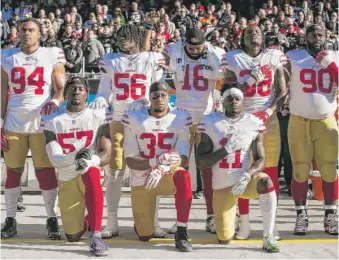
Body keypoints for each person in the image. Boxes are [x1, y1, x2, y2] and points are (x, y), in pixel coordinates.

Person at [143, 20, 225, 234]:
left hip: (206, 117)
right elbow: (155, 65)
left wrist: (210, 49)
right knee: (176, 166)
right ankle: (177, 219)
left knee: (208, 168)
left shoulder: (214, 53)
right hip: (180, 117)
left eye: (198, 47)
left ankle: (211, 216)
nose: (195, 51)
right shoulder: (174, 49)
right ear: (184, 43)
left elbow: (224, 75)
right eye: (191, 47)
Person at [89, 22, 167, 239]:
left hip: (144, 122)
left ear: (138, 37)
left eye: (127, 35)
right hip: (119, 120)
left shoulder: (150, 58)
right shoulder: (111, 60)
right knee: (115, 171)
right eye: (120, 35)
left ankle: (153, 220)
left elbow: (159, 89)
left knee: (147, 172)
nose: (122, 38)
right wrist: (100, 101)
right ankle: (112, 221)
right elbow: (104, 90)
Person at [1, 17, 66, 239]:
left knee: (45, 171)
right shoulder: (6, 56)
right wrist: (0, 122)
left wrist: (55, 102)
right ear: (17, 33)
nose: (26, 33)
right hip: (13, 123)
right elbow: (2, 94)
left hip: (42, 122)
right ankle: (10, 219)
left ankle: (51, 218)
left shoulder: (51, 53)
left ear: (39, 33)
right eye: (22, 30)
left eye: (31, 30)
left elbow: (60, 89)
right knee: (13, 172)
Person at [196, 82, 279, 253]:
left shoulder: (254, 122)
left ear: (243, 101)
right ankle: (232, 218)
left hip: (243, 180)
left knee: (265, 181)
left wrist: (249, 174)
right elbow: (200, 162)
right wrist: (224, 151)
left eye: (237, 98)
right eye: (229, 98)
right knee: (224, 238)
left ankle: (268, 236)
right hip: (222, 186)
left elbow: (261, 158)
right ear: (223, 102)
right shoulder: (210, 122)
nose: (233, 101)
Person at [222, 23, 287, 240]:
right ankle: (245, 222)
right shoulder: (233, 58)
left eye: (257, 31)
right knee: (242, 171)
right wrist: (249, 81)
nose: (254, 34)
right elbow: (229, 92)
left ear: (263, 36)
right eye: (249, 32)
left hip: (268, 119)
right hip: (242, 120)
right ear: (243, 38)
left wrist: (268, 111)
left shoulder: (274, 55)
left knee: (270, 169)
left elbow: (283, 91)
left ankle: (271, 224)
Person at [41, 76, 111, 256]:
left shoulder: (98, 115)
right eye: (72, 88)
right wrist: (76, 156)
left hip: (90, 168)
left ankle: (96, 235)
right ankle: (87, 221)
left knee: (92, 173)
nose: (77, 91)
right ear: (65, 93)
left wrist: (91, 160)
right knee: (72, 236)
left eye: (81, 88)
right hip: (66, 175)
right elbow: (55, 158)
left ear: (87, 94)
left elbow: (108, 153)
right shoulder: (52, 120)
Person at [122, 82, 193, 252]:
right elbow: (130, 161)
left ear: (169, 98)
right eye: (155, 95)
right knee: (144, 235)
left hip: (167, 173)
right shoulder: (135, 118)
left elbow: (183, 159)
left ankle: (181, 231)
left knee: (183, 177)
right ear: (149, 98)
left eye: (163, 95)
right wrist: (154, 162)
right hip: (143, 177)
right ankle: (143, 221)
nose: (159, 99)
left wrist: (162, 168)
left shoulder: (179, 118)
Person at [285, 24, 338, 235]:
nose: (316, 38)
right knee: (299, 169)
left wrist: (330, 65)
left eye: (320, 34)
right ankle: (301, 215)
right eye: (312, 35)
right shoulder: (293, 56)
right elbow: (278, 78)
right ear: (305, 38)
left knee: (329, 169)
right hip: (298, 119)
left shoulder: (335, 54)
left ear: (326, 36)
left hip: (326, 120)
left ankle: (330, 215)